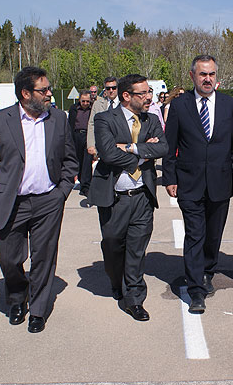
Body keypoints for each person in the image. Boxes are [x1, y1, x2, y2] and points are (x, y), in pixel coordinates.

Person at [0, 66, 79, 333]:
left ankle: (38, 310)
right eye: (44, 90)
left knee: (44, 258)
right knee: (8, 257)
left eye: (49, 88)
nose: (50, 93)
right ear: (26, 93)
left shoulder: (58, 118)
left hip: (48, 201)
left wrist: (62, 191)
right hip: (11, 202)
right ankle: (17, 297)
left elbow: (70, 159)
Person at [162, 54, 233, 313]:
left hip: (220, 182)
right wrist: (170, 177)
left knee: (213, 235)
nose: (207, 79)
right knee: (195, 235)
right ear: (192, 76)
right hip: (190, 182)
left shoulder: (229, 105)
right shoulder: (180, 106)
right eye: (202, 74)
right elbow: (170, 146)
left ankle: (208, 269)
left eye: (211, 74)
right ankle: (196, 289)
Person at [91, 74, 168, 321]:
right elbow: (107, 153)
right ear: (127, 96)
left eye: (149, 93)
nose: (149, 98)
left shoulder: (152, 119)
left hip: (142, 196)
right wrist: (144, 153)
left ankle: (134, 299)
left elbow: (163, 148)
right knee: (113, 245)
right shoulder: (105, 119)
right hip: (115, 198)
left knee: (137, 250)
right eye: (143, 93)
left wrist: (131, 147)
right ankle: (117, 280)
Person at [68, 90, 94, 196]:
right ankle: (80, 179)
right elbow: (70, 124)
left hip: (88, 136)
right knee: (78, 160)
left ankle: (85, 186)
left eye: (87, 101)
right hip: (76, 136)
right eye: (83, 101)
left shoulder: (92, 109)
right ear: (79, 100)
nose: (85, 103)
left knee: (87, 162)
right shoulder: (74, 109)